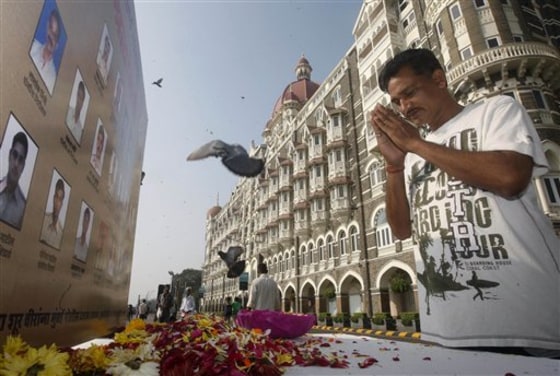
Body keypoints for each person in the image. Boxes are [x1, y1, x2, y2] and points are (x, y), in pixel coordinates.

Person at [370, 48, 560, 355]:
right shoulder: (414, 156)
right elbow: (402, 229)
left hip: (527, 328)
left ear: (439, 80)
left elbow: (510, 178)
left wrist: (416, 144)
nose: (404, 107)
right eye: (396, 102)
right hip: (449, 331)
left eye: (410, 93)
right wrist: (394, 166)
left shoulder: (495, 110)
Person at [0, 132, 28, 229]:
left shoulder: (23, 208)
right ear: (9, 155)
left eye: (20, 160)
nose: (16, 164)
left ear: (23, 166)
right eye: (14, 155)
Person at [29, 8, 61, 94]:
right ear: (47, 27)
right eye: (50, 27)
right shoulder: (31, 46)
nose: (51, 35)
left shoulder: (53, 78)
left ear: (58, 43)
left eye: (55, 34)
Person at [40, 178, 65, 249]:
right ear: (53, 198)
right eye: (56, 197)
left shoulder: (61, 234)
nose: (57, 203)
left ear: (62, 204)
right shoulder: (42, 219)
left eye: (60, 199)